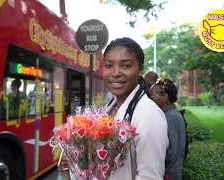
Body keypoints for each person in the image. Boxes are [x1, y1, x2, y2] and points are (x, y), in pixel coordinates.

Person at [57, 37, 169, 179]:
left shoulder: (149, 115)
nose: (115, 73)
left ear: (140, 69)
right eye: (109, 65)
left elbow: (150, 177)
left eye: (126, 66)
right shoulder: (109, 108)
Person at [149, 79, 187, 180]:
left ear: (164, 97)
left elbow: (171, 152)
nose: (149, 101)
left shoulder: (168, 117)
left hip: (169, 174)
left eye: (151, 97)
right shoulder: (172, 114)